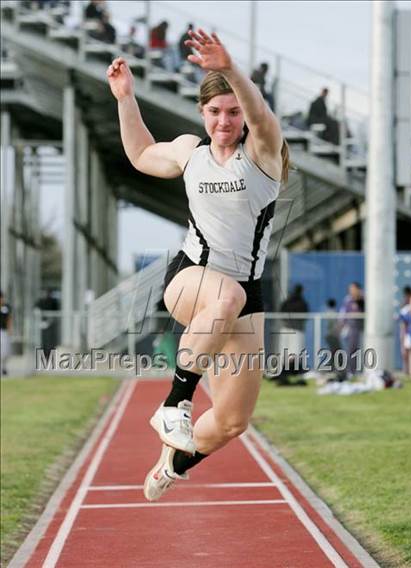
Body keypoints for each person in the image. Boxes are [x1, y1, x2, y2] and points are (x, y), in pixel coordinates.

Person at [107, 28, 289, 501]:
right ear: (201, 114)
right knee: (224, 295)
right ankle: (174, 404)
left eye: (233, 112)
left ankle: (173, 461)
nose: (224, 121)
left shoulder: (263, 153)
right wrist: (126, 99)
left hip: (246, 295)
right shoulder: (192, 152)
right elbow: (142, 153)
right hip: (190, 278)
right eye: (214, 112)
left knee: (233, 420)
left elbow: (262, 115)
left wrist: (229, 70)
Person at [339, 282, 364, 377]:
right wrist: (342, 324)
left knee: (361, 349)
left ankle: (360, 369)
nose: (351, 291)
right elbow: (343, 313)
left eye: (353, 288)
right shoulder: (348, 300)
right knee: (351, 349)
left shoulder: (363, 299)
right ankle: (351, 370)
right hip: (351, 327)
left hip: (361, 327)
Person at [0, 291, 12, 376]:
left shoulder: (6, 307)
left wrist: (10, 329)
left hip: (3, 331)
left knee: (4, 351)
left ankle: (4, 367)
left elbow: (9, 318)